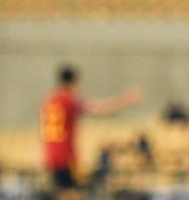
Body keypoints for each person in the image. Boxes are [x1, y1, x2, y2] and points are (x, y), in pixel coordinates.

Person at [40, 65, 142, 200]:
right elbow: (101, 109)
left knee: (64, 192)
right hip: (65, 156)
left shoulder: (50, 99)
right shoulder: (69, 100)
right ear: (75, 82)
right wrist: (125, 99)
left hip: (51, 153)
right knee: (73, 194)